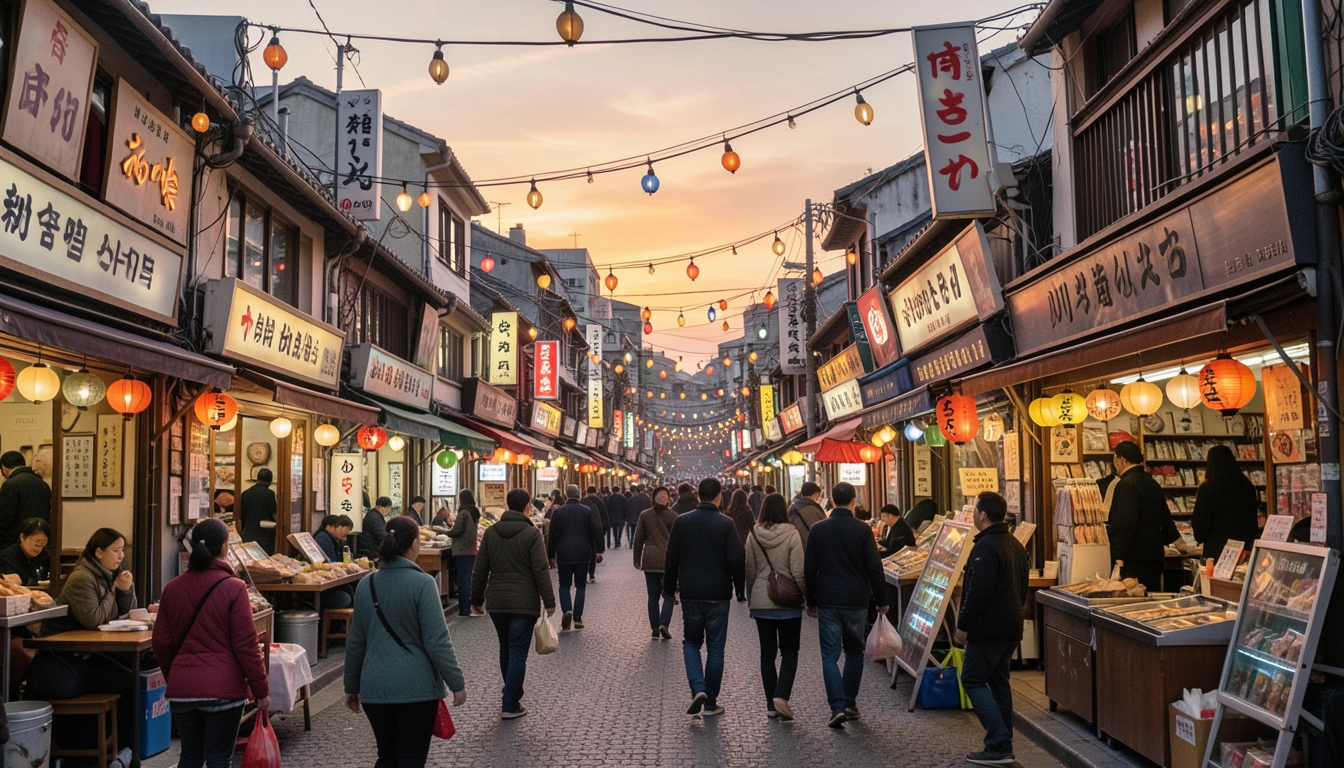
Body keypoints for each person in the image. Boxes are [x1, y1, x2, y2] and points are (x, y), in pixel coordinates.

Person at [345, 516, 467, 767]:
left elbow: (356, 642)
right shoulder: (423, 583)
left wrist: (351, 686)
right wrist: (456, 681)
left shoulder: (366, 584)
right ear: (413, 544)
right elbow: (437, 640)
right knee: (411, 758)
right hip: (416, 689)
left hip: (374, 688)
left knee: (386, 756)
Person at [153, 518, 270, 768]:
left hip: (183, 689)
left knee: (190, 757)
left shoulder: (172, 588)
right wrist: (261, 690)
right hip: (224, 689)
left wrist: (175, 676)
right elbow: (246, 645)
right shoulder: (234, 588)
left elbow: (161, 642)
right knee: (219, 758)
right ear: (225, 546)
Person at [27, 528, 138, 746]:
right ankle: (114, 747)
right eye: (116, 550)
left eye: (122, 550)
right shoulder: (81, 578)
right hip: (67, 660)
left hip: (90, 654)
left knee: (130, 673)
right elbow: (94, 619)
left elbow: (130, 612)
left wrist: (125, 590)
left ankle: (126, 747)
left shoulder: (109, 574)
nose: (121, 556)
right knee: (124, 679)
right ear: (99, 552)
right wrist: (115, 590)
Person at [804, 482, 888, 729]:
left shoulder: (818, 529)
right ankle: (850, 702)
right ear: (853, 500)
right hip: (856, 599)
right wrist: (882, 600)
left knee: (829, 655)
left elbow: (810, 569)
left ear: (831, 499)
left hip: (828, 598)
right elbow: (874, 567)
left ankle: (837, 706)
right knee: (853, 651)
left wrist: (811, 600)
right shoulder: (862, 530)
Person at [955, 492, 1030, 766]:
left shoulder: (986, 546)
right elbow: (1023, 589)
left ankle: (998, 742)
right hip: (1010, 627)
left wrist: (963, 625)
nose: (973, 515)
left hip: (988, 630)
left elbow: (978, 592)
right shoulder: (1014, 544)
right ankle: (1003, 744)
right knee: (999, 683)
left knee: (972, 680)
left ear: (983, 514)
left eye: (975, 510)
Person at [663, 478, 745, 718]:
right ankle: (710, 703)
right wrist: (739, 589)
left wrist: (669, 590)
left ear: (699, 496)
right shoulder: (726, 524)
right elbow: (736, 559)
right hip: (718, 592)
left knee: (690, 642)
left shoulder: (682, 522)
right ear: (719, 496)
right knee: (716, 647)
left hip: (690, 592)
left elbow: (671, 558)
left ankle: (698, 687)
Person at [471, 489, 557, 719]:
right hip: (524, 602)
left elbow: (480, 569)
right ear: (528, 506)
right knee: (518, 651)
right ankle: (509, 703)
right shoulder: (531, 533)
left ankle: (512, 694)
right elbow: (540, 569)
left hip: (497, 601)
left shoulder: (491, 532)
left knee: (506, 648)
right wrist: (549, 601)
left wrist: (476, 600)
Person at [744, 493, 806, 721]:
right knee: (790, 652)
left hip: (762, 601)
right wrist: (806, 597)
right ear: (784, 509)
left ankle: (771, 704)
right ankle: (782, 695)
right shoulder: (792, 533)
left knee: (767, 655)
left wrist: (751, 598)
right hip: (788, 601)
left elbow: (749, 570)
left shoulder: (754, 534)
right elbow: (798, 571)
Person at [1107, 441, 1178, 592]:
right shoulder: (1152, 483)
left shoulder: (1126, 484)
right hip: (1154, 555)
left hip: (1134, 557)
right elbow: (1165, 518)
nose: (1115, 463)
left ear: (1123, 459)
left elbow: (1124, 523)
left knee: (1133, 603)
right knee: (1150, 602)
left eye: (1115, 459)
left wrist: (1118, 555)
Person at [548, 485, 604, 630]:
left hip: (564, 552)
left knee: (564, 585)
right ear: (579, 495)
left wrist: (550, 555)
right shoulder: (586, 511)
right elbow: (593, 533)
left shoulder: (558, 512)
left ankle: (567, 611)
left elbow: (552, 536)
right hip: (582, 552)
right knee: (580, 586)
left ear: (566, 495)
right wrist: (597, 550)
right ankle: (578, 618)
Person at [1191, 444, 1259, 563]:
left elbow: (1200, 523)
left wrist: (1200, 538)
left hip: (1216, 550)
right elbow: (1252, 520)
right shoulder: (1248, 486)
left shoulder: (1208, 488)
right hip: (1244, 550)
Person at [632, 486, 678, 639]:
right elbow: (678, 542)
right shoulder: (673, 516)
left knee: (653, 596)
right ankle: (664, 623)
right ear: (668, 499)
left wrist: (636, 559)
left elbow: (638, 539)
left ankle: (654, 628)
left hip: (650, 559)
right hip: (668, 560)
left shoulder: (645, 515)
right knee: (669, 595)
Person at [0, 451, 51, 550]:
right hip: (40, 543)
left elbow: (4, 517)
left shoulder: (10, 484)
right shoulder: (43, 484)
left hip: (15, 545)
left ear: (4, 467)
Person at [447, 490, 482, 617]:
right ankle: (468, 606)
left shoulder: (464, 512)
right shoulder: (474, 511)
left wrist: (447, 532)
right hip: (471, 549)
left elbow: (457, 530)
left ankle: (464, 609)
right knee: (467, 579)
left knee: (463, 580)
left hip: (462, 549)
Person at [313, 515, 356, 617]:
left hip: (330, 587)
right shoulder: (323, 539)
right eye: (344, 528)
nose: (347, 532)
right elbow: (330, 564)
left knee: (353, 589)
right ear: (330, 527)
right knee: (346, 597)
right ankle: (337, 626)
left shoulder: (334, 540)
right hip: (322, 591)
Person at [236, 468, 278, 555]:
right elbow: (273, 514)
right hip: (265, 536)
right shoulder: (270, 494)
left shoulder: (245, 493)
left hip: (248, 534)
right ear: (270, 481)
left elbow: (242, 516)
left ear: (257, 479)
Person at [0, 517, 50, 585]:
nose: (38, 549)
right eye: (36, 544)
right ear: (22, 537)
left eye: (42, 544)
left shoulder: (44, 556)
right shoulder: (6, 558)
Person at [581, 486, 608, 583]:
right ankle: (591, 575)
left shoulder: (582, 503)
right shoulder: (599, 502)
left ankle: (584, 574)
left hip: (582, 533)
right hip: (594, 532)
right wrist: (602, 533)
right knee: (592, 552)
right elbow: (604, 517)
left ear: (587, 493)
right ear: (595, 492)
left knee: (583, 554)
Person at [787, 482, 826, 548]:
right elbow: (824, 531)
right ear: (816, 494)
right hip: (813, 548)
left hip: (797, 546)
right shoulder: (815, 510)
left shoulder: (792, 508)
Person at [357, 496, 392, 561]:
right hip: (369, 551)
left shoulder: (375, 515)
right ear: (380, 507)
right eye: (388, 508)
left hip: (370, 549)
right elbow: (381, 534)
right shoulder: (374, 518)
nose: (388, 511)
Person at [627, 484, 650, 549]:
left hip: (633, 518)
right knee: (642, 532)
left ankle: (631, 544)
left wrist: (628, 518)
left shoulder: (631, 499)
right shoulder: (646, 497)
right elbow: (648, 508)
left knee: (633, 532)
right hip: (642, 518)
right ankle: (641, 544)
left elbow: (628, 509)